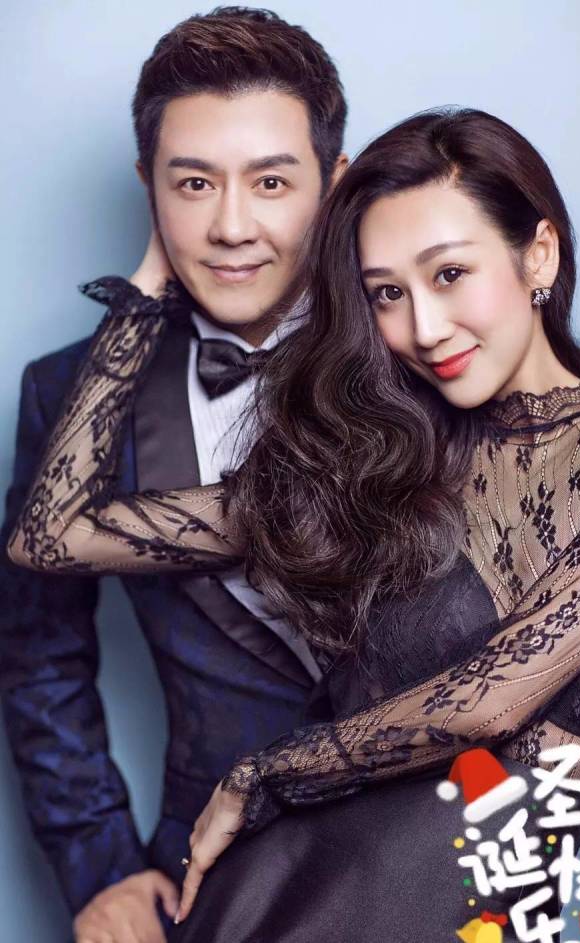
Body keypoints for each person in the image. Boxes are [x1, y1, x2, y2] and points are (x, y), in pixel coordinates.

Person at [8, 109, 580, 941]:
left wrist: (266, 772)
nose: (424, 327)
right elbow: (50, 536)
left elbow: (493, 701)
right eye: (387, 293)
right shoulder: (365, 463)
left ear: (539, 254)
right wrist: (150, 288)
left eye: (450, 273)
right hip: (274, 907)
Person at [0, 6, 348, 940]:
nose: (231, 226)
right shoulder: (68, 396)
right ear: (148, 187)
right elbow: (39, 651)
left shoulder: (431, 351)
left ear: (335, 184)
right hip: (206, 883)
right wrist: (98, 865)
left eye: (271, 181)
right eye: (193, 182)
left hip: (446, 859)